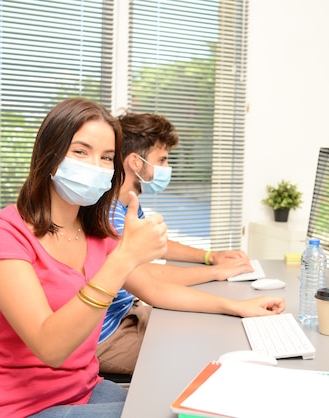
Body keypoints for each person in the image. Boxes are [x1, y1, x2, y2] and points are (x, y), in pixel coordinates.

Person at [0, 98, 284, 417]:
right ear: (49, 156)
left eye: (107, 157)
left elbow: (155, 290)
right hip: (23, 410)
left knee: (191, 403)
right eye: (81, 152)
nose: (95, 166)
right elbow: (50, 347)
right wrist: (122, 259)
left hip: (83, 390)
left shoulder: (94, 231)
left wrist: (237, 307)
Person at [97, 112, 255, 376]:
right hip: (108, 334)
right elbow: (147, 279)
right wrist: (215, 273)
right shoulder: (106, 214)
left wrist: (211, 256)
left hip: (128, 310)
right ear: (136, 161)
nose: (166, 168)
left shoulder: (126, 203)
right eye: (162, 160)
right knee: (197, 356)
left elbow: (157, 245)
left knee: (206, 328)